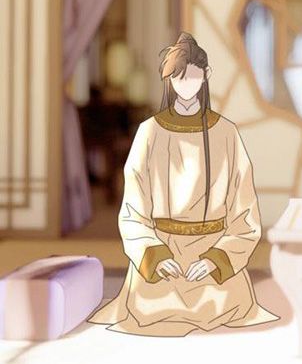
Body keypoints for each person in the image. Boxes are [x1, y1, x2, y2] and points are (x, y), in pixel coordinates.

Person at [89, 32, 279, 337]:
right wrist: (155, 255)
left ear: (205, 75)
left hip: (213, 250)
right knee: (153, 309)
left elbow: (244, 210)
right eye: (178, 77)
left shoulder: (226, 132)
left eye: (192, 76)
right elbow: (133, 208)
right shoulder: (149, 132)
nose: (185, 84)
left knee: (221, 303)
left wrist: (216, 259)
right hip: (163, 249)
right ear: (169, 80)